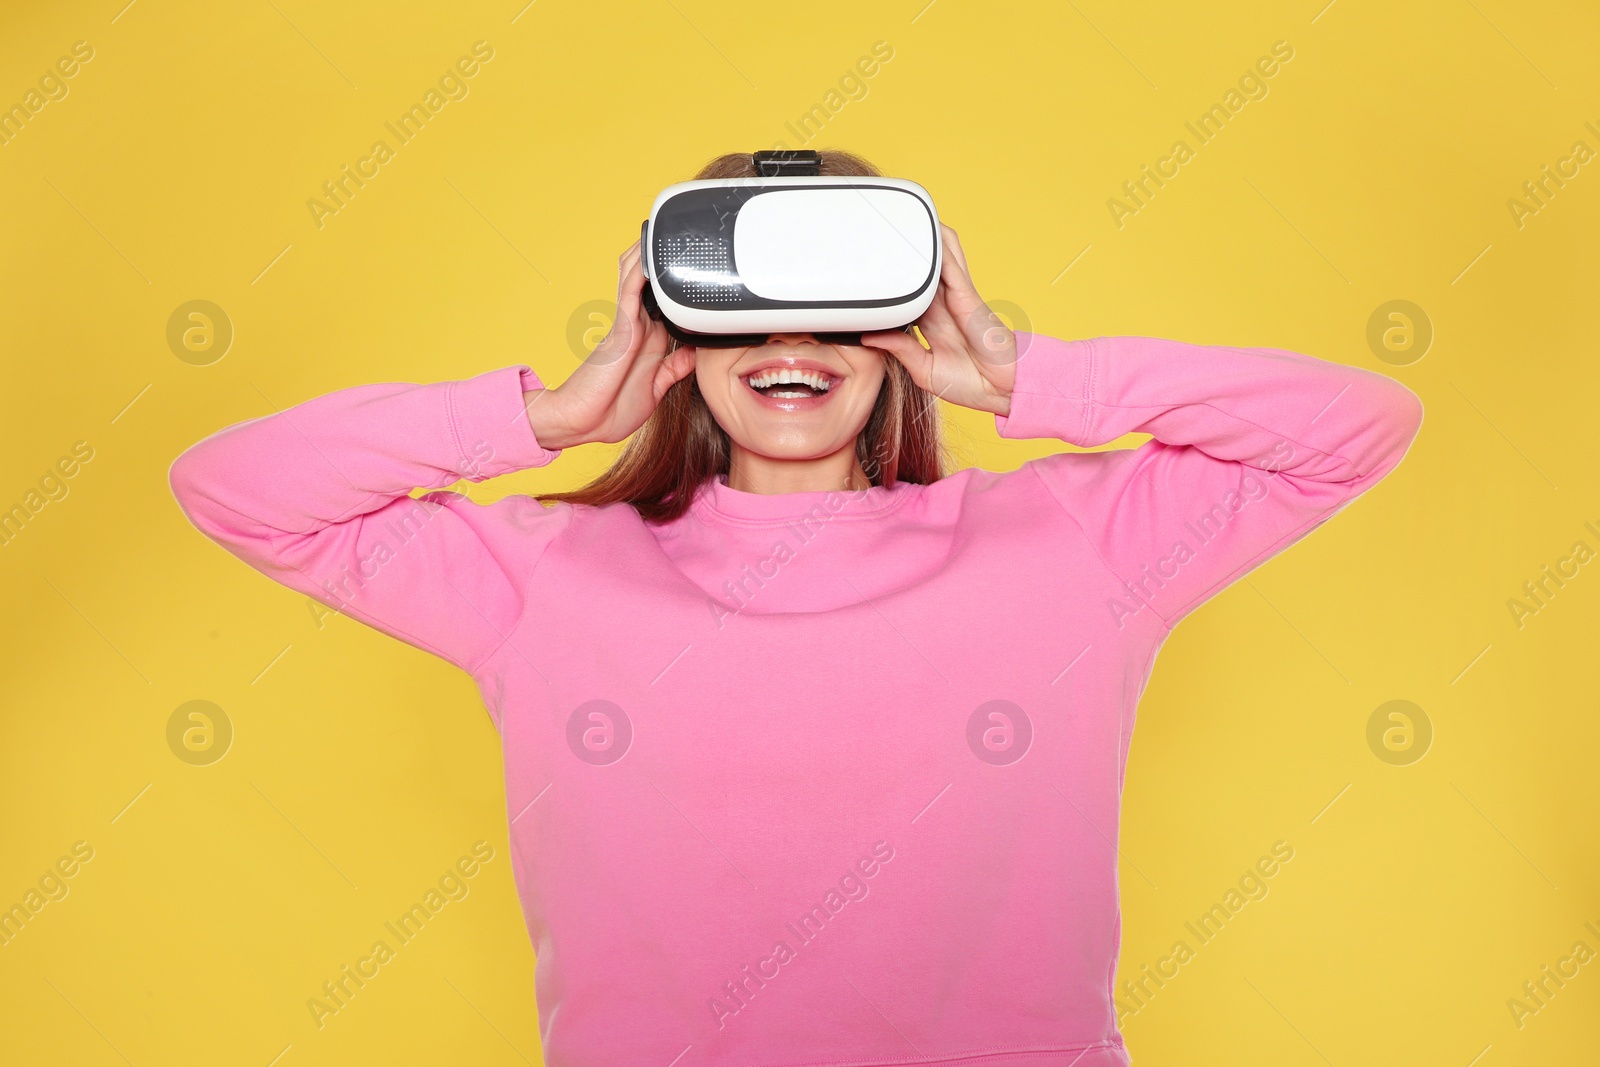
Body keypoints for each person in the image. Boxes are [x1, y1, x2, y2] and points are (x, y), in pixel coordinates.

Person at [168, 150, 1423, 1066]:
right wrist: (544, 417)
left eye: (840, 300)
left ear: (896, 336)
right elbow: (233, 488)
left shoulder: (1071, 541)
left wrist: (1029, 373)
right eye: (745, 300)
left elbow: (1355, 429)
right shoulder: (546, 573)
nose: (793, 336)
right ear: (676, 333)